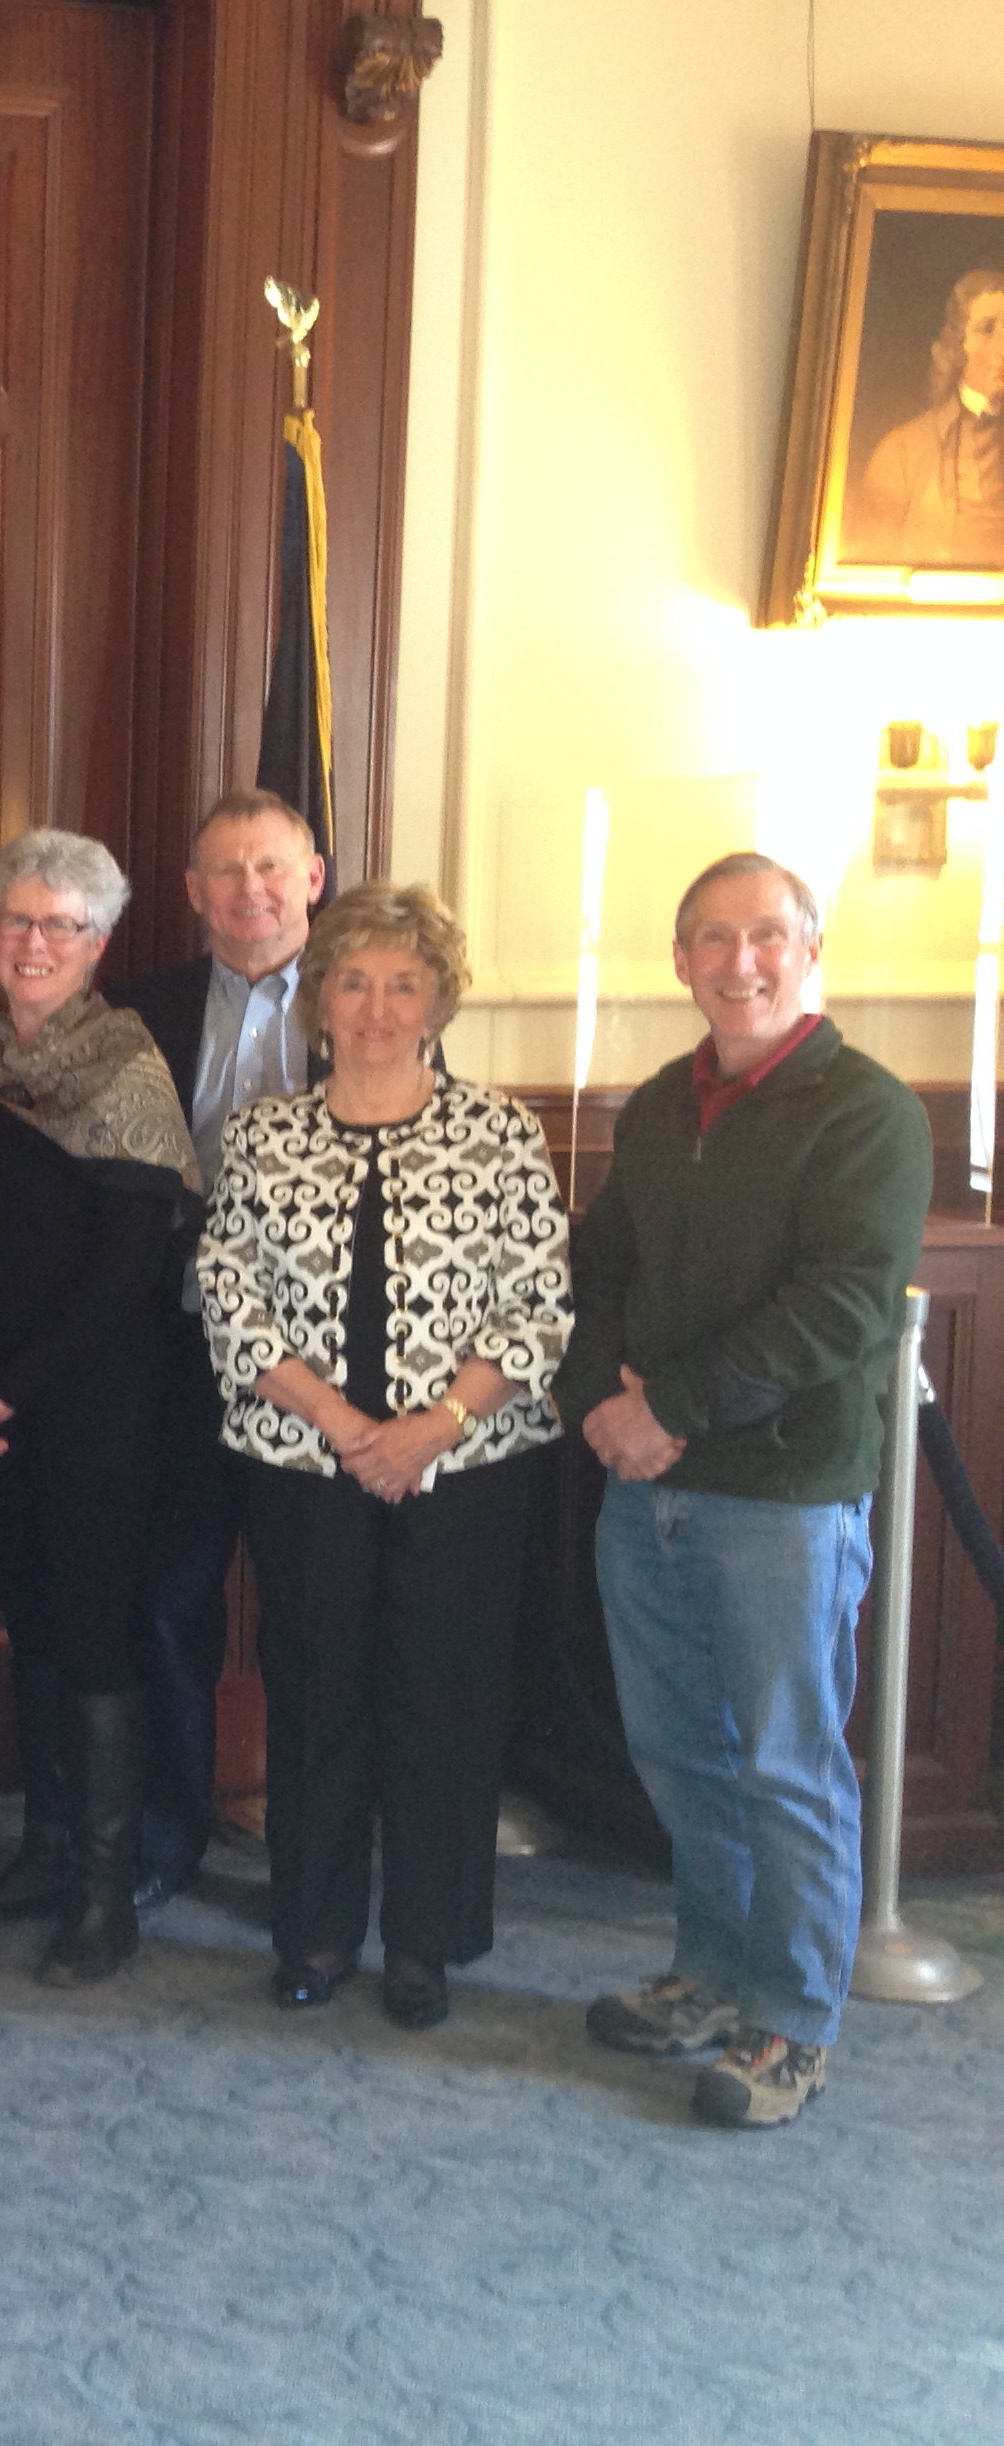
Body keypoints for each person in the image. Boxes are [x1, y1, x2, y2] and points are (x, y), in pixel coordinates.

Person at [557, 853, 932, 2128]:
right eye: (712, 939)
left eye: (766, 935)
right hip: (645, 1486)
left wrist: (670, 1407)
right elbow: (601, 1263)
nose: (740, 962)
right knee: (678, 1752)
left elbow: (836, 1308)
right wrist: (601, 1409)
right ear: (680, 962)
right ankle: (710, 1973)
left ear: (810, 947)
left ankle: (792, 2018)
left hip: (782, 1499)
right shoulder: (664, 1105)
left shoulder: (870, 1112)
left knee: (784, 1765)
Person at [197, 882, 570, 2029]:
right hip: (309, 1467)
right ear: (319, 1000)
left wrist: (430, 1429)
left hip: (464, 1471)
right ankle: (313, 1929)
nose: (374, 1005)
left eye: (402, 982)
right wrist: (346, 1426)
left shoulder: (499, 1132)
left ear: (438, 1002)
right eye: (352, 980)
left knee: (442, 1700)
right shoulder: (267, 1132)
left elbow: (540, 1304)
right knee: (315, 1700)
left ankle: (425, 1941)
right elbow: (227, 1294)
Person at [0, 829, 198, 1985]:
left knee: (92, 1637)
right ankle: (41, 1852)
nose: (35, 944)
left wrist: (8, 1385)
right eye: (17, 923)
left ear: (99, 944)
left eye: (61, 926)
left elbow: (128, 1269)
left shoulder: (128, 1073)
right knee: (30, 1626)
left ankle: (102, 1893)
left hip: (95, 1414)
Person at [98, 788, 331, 1916]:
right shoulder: (138, 1011)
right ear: (193, 895)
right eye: (226, 873)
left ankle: (314, 1847)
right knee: (169, 1600)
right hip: (180, 1353)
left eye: (271, 869)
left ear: (313, 879)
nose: (251, 892)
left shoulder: (368, 1005)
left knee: (311, 1615)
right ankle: (168, 1834)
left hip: (326, 1369)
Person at [843, 266, 1004, 567]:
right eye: (987, 329)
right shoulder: (901, 453)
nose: (1002, 346)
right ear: (958, 345)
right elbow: (867, 570)